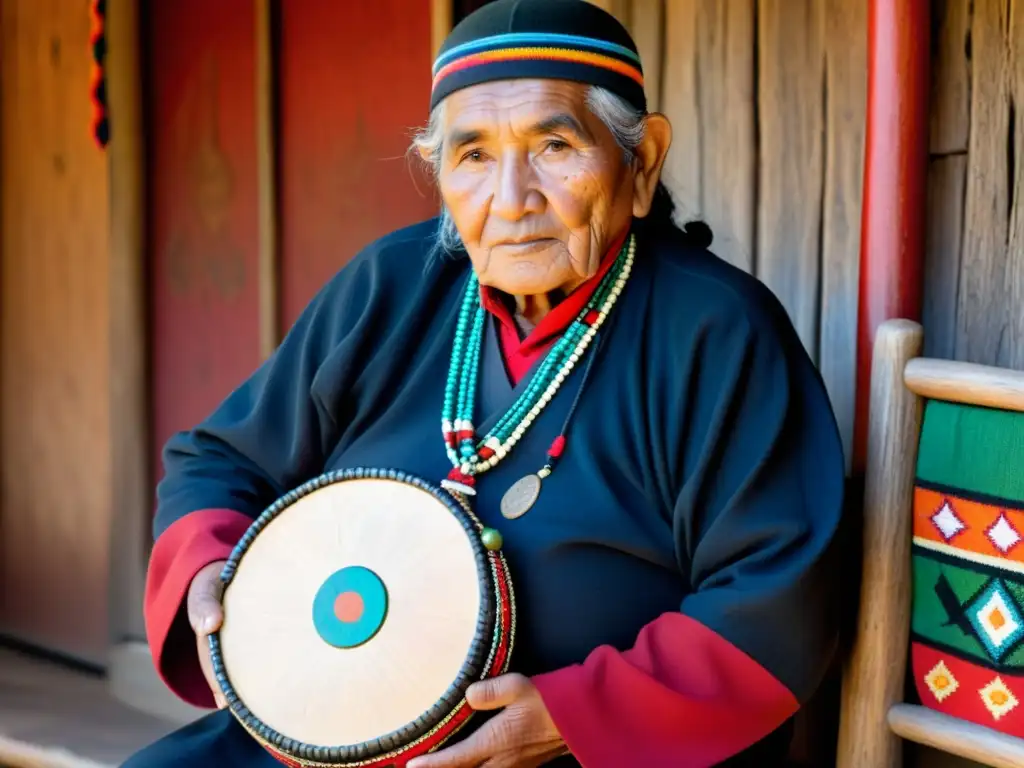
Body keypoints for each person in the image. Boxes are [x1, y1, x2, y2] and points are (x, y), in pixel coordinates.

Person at [125, 0, 847, 765]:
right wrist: (211, 572)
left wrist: (571, 716)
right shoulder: (392, 286)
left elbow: (775, 605)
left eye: (555, 145)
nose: (511, 198)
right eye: (472, 156)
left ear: (642, 162)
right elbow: (221, 461)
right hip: (335, 728)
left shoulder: (718, 332)